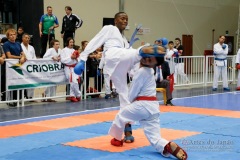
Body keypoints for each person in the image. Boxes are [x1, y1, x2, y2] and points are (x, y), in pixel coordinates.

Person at [74, 12, 166, 143]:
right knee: (136, 53)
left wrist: (138, 74)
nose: (125, 21)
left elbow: (128, 55)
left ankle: (125, 133)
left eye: (127, 19)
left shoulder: (123, 39)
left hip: (119, 68)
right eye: (122, 18)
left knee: (125, 98)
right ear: (115, 20)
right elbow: (95, 41)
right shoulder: (109, 28)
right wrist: (82, 58)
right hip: (114, 56)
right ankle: (147, 50)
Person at [108, 56, 187, 160]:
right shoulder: (150, 71)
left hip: (142, 105)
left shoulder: (141, 72)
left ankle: (117, 140)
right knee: (155, 138)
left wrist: (130, 102)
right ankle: (166, 146)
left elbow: (132, 94)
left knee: (121, 115)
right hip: (153, 107)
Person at [3, 28, 27, 106]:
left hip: (18, 65)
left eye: (14, 34)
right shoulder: (6, 44)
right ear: (8, 36)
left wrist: (23, 57)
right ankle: (10, 100)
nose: (13, 36)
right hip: (10, 66)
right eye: (11, 35)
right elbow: (9, 56)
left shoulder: (18, 44)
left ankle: (17, 98)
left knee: (18, 81)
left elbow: (23, 54)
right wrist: (20, 57)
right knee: (11, 82)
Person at [61, 37, 81, 102]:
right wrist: (71, 57)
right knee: (73, 82)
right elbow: (63, 60)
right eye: (70, 42)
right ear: (67, 43)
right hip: (68, 68)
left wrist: (76, 58)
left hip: (74, 68)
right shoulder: (64, 50)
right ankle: (78, 95)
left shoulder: (74, 50)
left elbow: (79, 60)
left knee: (74, 82)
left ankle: (72, 95)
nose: (72, 44)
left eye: (72, 42)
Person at [21, 33, 37, 101]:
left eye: (28, 38)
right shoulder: (20, 46)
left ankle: (30, 97)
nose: (27, 39)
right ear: (22, 38)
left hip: (31, 67)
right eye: (26, 38)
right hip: (22, 67)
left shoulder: (31, 47)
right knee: (23, 82)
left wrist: (35, 64)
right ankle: (22, 97)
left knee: (32, 81)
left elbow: (34, 57)